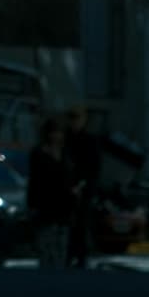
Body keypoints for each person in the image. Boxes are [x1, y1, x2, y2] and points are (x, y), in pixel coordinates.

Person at [26, 118, 71, 271]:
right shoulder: (39, 153)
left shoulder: (65, 153)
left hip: (64, 205)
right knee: (46, 245)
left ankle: (58, 274)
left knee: (61, 245)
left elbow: (69, 176)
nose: (57, 136)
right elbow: (35, 181)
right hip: (45, 205)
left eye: (59, 133)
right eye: (54, 132)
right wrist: (32, 205)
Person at [60, 105, 100, 269]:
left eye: (77, 118)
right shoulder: (65, 139)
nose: (74, 122)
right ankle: (69, 254)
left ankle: (81, 255)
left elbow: (94, 167)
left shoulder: (89, 140)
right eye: (72, 118)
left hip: (83, 188)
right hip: (66, 188)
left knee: (82, 222)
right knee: (67, 224)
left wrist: (82, 184)